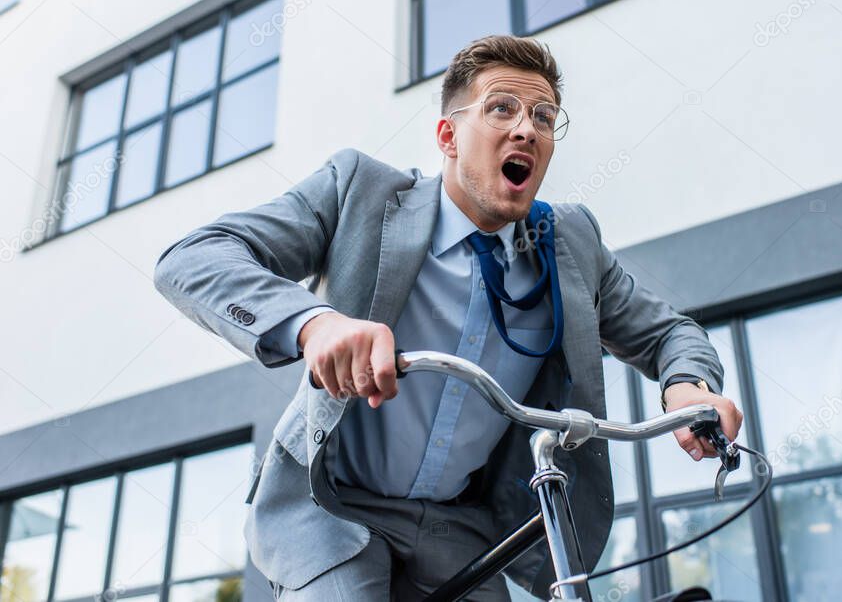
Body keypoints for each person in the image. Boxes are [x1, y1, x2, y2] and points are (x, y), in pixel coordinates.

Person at [153, 35, 743, 600]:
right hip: (331, 502)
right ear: (448, 135)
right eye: (502, 108)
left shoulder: (570, 242)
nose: (526, 129)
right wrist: (316, 324)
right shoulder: (359, 190)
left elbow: (670, 332)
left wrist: (688, 383)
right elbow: (195, 258)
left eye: (544, 117)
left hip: (455, 523)